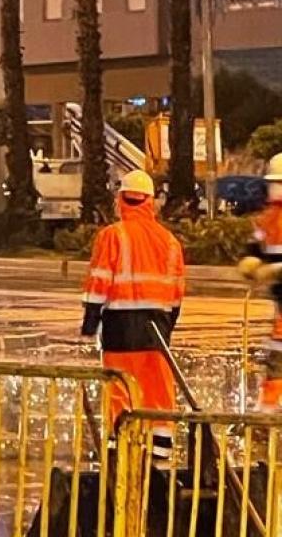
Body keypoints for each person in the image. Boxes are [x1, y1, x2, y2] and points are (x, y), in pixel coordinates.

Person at [81, 170, 185, 457]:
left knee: (120, 392)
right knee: (158, 396)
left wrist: (90, 322)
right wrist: (167, 327)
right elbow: (177, 293)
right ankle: (160, 458)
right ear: (151, 202)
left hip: (119, 329)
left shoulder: (112, 236)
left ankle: (120, 454)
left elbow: (99, 281)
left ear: (120, 199)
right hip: (156, 331)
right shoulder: (170, 242)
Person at [238, 153, 282, 411]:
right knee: (276, 362)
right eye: (274, 183)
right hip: (280, 310)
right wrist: (251, 264)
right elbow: (253, 251)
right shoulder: (267, 220)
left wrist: (273, 270)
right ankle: (267, 417)